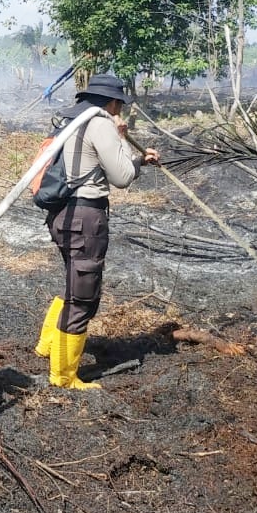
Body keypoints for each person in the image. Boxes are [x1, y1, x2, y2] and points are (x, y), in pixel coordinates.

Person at [35, 73, 159, 389]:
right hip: (85, 218)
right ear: (113, 101)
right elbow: (121, 176)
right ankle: (63, 377)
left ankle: (48, 347)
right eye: (119, 104)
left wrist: (138, 159)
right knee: (84, 297)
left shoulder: (72, 119)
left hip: (62, 215)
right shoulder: (101, 122)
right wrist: (121, 141)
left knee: (74, 285)